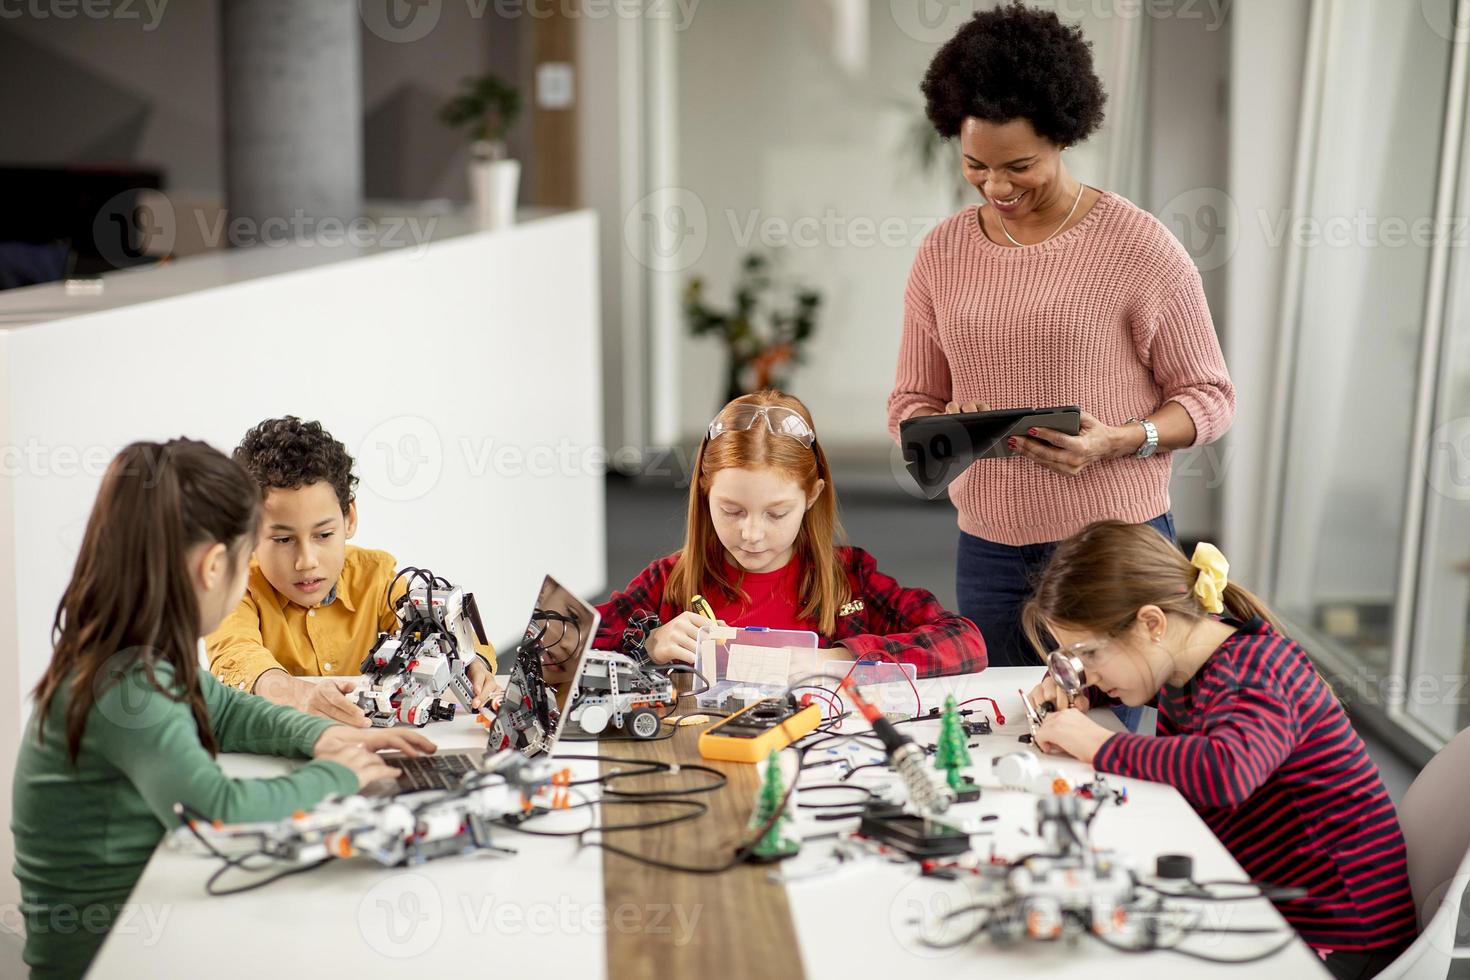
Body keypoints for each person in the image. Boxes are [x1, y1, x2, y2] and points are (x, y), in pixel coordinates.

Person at [888, 2, 1235, 667]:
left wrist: (1121, 441)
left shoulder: (1138, 247)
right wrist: (944, 426)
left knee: (1106, 740)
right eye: (975, 166)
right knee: (999, 733)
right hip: (987, 548)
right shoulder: (942, 252)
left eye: (1018, 165)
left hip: (1111, 549)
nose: (995, 185)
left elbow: (1211, 395)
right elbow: (909, 404)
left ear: (1063, 134)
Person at [12, 440, 436, 978]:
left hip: (147, 932)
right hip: (110, 961)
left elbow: (231, 713)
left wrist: (322, 738)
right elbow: (214, 808)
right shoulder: (129, 687)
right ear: (215, 567)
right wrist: (338, 775)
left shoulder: (132, 656)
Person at [1022, 521, 1417, 978]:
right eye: (1072, 659)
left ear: (1152, 623)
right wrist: (1084, 691)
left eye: (1087, 655)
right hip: (1273, 902)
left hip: (1339, 938)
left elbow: (1226, 772)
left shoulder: (1259, 672)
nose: (1082, 670)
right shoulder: (1189, 661)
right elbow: (1157, 691)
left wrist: (1098, 742)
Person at [593, 390, 985, 677]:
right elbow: (558, 648)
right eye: (731, 510)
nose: (751, 534)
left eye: (777, 514)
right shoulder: (668, 582)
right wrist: (648, 644)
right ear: (704, 492)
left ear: (812, 495)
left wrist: (837, 658)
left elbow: (964, 643)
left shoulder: (849, 579)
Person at [206, 417, 496, 725]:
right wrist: (297, 693)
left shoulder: (377, 579)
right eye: (283, 539)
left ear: (349, 518)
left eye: (323, 535)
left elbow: (443, 632)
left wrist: (471, 663)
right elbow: (235, 655)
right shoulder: (236, 588)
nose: (306, 561)